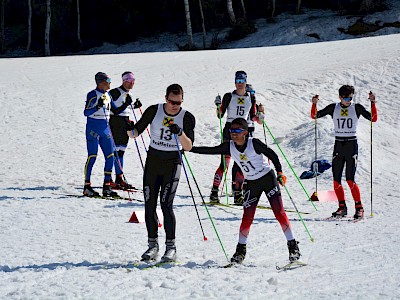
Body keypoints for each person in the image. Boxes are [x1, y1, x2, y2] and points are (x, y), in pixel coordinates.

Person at [191, 117, 301, 264]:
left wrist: (280, 172)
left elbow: (272, 155)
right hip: (251, 183)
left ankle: (293, 246)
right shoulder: (229, 146)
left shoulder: (253, 143)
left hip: (267, 179)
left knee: (279, 212)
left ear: (245, 132)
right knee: (247, 217)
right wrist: (189, 148)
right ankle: (240, 251)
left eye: (237, 131)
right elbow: (211, 150)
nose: (233, 134)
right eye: (231, 131)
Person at [127, 84, 195, 262]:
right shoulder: (153, 111)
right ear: (166, 98)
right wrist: (127, 127)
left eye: (179, 102)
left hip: (172, 162)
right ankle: (152, 245)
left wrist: (180, 133)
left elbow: (188, 146)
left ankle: (171, 247)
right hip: (153, 161)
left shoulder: (186, 117)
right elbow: (135, 133)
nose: (175, 106)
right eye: (172, 102)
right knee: (149, 204)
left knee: (166, 204)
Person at [311, 85, 378, 219]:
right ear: (340, 97)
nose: (349, 100)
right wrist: (314, 104)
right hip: (339, 145)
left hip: (351, 145)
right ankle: (342, 207)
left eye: (351, 97)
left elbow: (373, 118)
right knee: (336, 180)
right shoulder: (333, 107)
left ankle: (359, 208)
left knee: (350, 179)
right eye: (346, 98)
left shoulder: (356, 107)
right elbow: (315, 116)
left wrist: (372, 103)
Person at [211, 71, 262, 205]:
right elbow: (220, 115)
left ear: (246, 82)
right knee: (225, 163)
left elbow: (253, 116)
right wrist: (218, 105)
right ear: (235, 82)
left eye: (242, 81)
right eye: (237, 81)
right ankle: (214, 192)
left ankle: (237, 194)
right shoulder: (229, 96)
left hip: (243, 132)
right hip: (229, 129)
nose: (240, 84)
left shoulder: (251, 98)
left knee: (241, 162)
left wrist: (260, 117)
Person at [83, 72, 120, 198]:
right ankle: (87, 186)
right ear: (101, 82)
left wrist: (131, 106)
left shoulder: (107, 94)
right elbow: (86, 112)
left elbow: (116, 110)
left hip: (105, 129)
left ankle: (107, 186)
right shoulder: (92, 94)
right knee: (92, 156)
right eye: (108, 80)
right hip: (93, 129)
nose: (110, 82)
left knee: (111, 156)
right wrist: (97, 106)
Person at [108, 71, 142, 190]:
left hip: (125, 123)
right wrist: (126, 105)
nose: (131, 84)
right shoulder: (115, 92)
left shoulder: (129, 94)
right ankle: (109, 180)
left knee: (121, 151)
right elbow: (114, 110)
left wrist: (135, 106)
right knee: (115, 152)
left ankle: (119, 178)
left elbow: (127, 107)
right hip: (115, 122)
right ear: (124, 80)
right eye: (129, 81)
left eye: (133, 81)